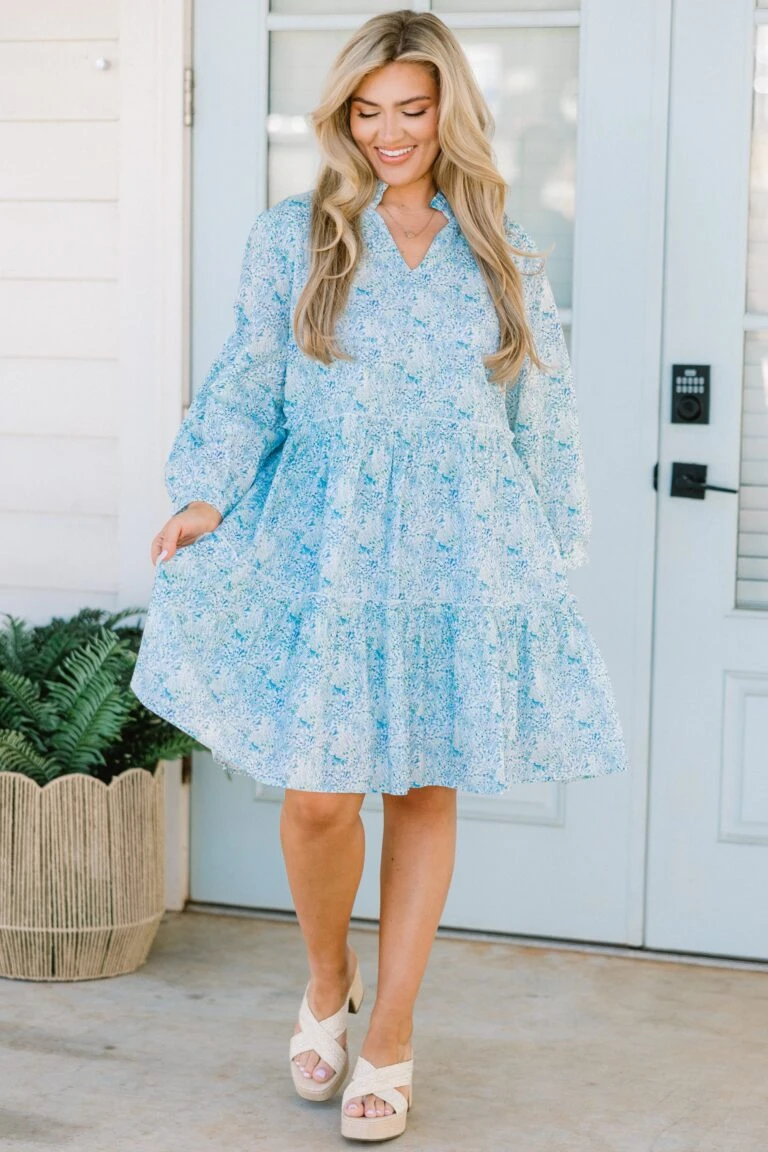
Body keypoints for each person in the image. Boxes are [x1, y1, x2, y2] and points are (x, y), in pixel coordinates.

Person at [130, 8, 630, 1142]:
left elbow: (541, 410)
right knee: (320, 798)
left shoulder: (504, 248)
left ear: (451, 111)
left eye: (412, 109)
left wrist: (550, 547)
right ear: (342, 118)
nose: (391, 132)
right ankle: (328, 980)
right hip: (329, 542)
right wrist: (206, 492)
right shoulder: (296, 236)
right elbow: (251, 374)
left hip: (462, 546)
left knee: (423, 787)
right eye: (368, 112)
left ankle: (392, 1032)